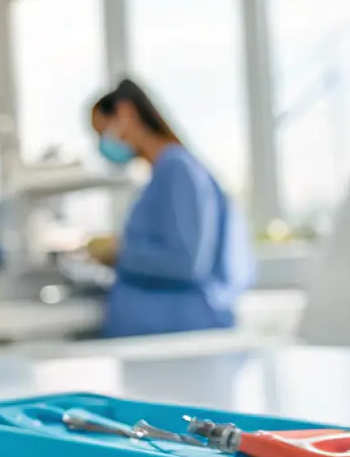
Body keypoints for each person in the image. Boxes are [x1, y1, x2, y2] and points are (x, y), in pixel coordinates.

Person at [86, 79, 255, 338]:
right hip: (167, 335)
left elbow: (185, 261)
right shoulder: (166, 173)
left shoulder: (177, 170)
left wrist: (118, 252)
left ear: (126, 112)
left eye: (103, 133)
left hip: (180, 333)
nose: (103, 145)